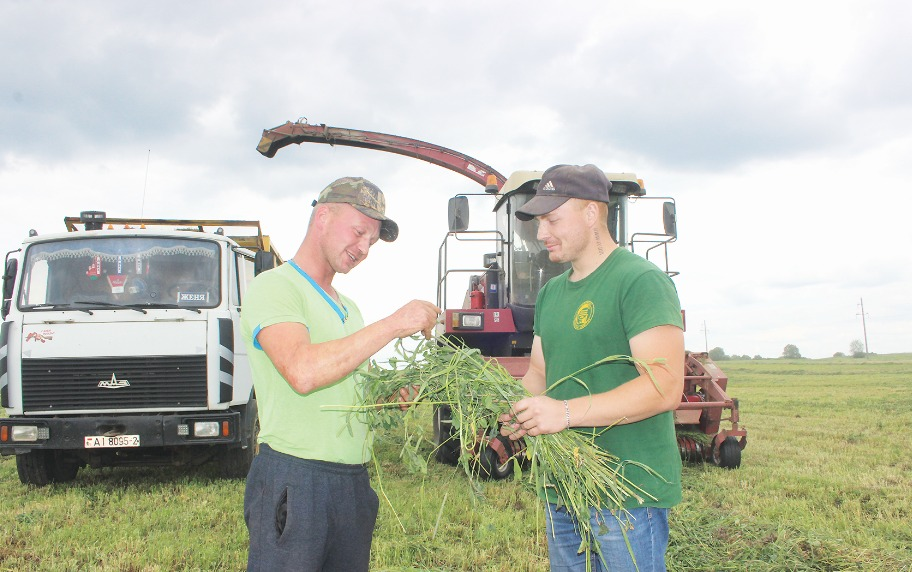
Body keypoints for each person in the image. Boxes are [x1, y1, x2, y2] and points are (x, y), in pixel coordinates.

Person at [240, 176, 440, 572]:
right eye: (359, 232)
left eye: (372, 242)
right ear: (323, 217)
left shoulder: (350, 308)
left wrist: (390, 399)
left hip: (351, 484)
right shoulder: (275, 287)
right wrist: (394, 324)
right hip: (296, 480)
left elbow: (354, 396)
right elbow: (302, 371)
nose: (364, 248)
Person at [499, 164, 685, 572]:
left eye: (552, 219)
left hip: (626, 492)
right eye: (538, 222)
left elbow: (664, 386)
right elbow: (539, 376)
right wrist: (511, 408)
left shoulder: (640, 281)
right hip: (563, 485)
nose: (541, 233)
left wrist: (564, 412)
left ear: (590, 213)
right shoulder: (551, 293)